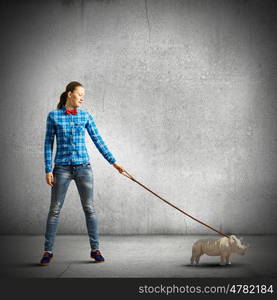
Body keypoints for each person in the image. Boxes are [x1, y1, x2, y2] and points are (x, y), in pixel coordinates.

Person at [40, 81, 125, 266]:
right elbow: (48, 144)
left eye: (83, 95)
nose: (82, 98)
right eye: (80, 94)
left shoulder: (85, 115)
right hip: (61, 169)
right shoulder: (53, 116)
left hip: (84, 168)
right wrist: (48, 169)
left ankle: (95, 250)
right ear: (70, 94)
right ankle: (47, 251)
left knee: (90, 209)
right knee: (54, 210)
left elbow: (98, 140)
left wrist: (114, 162)